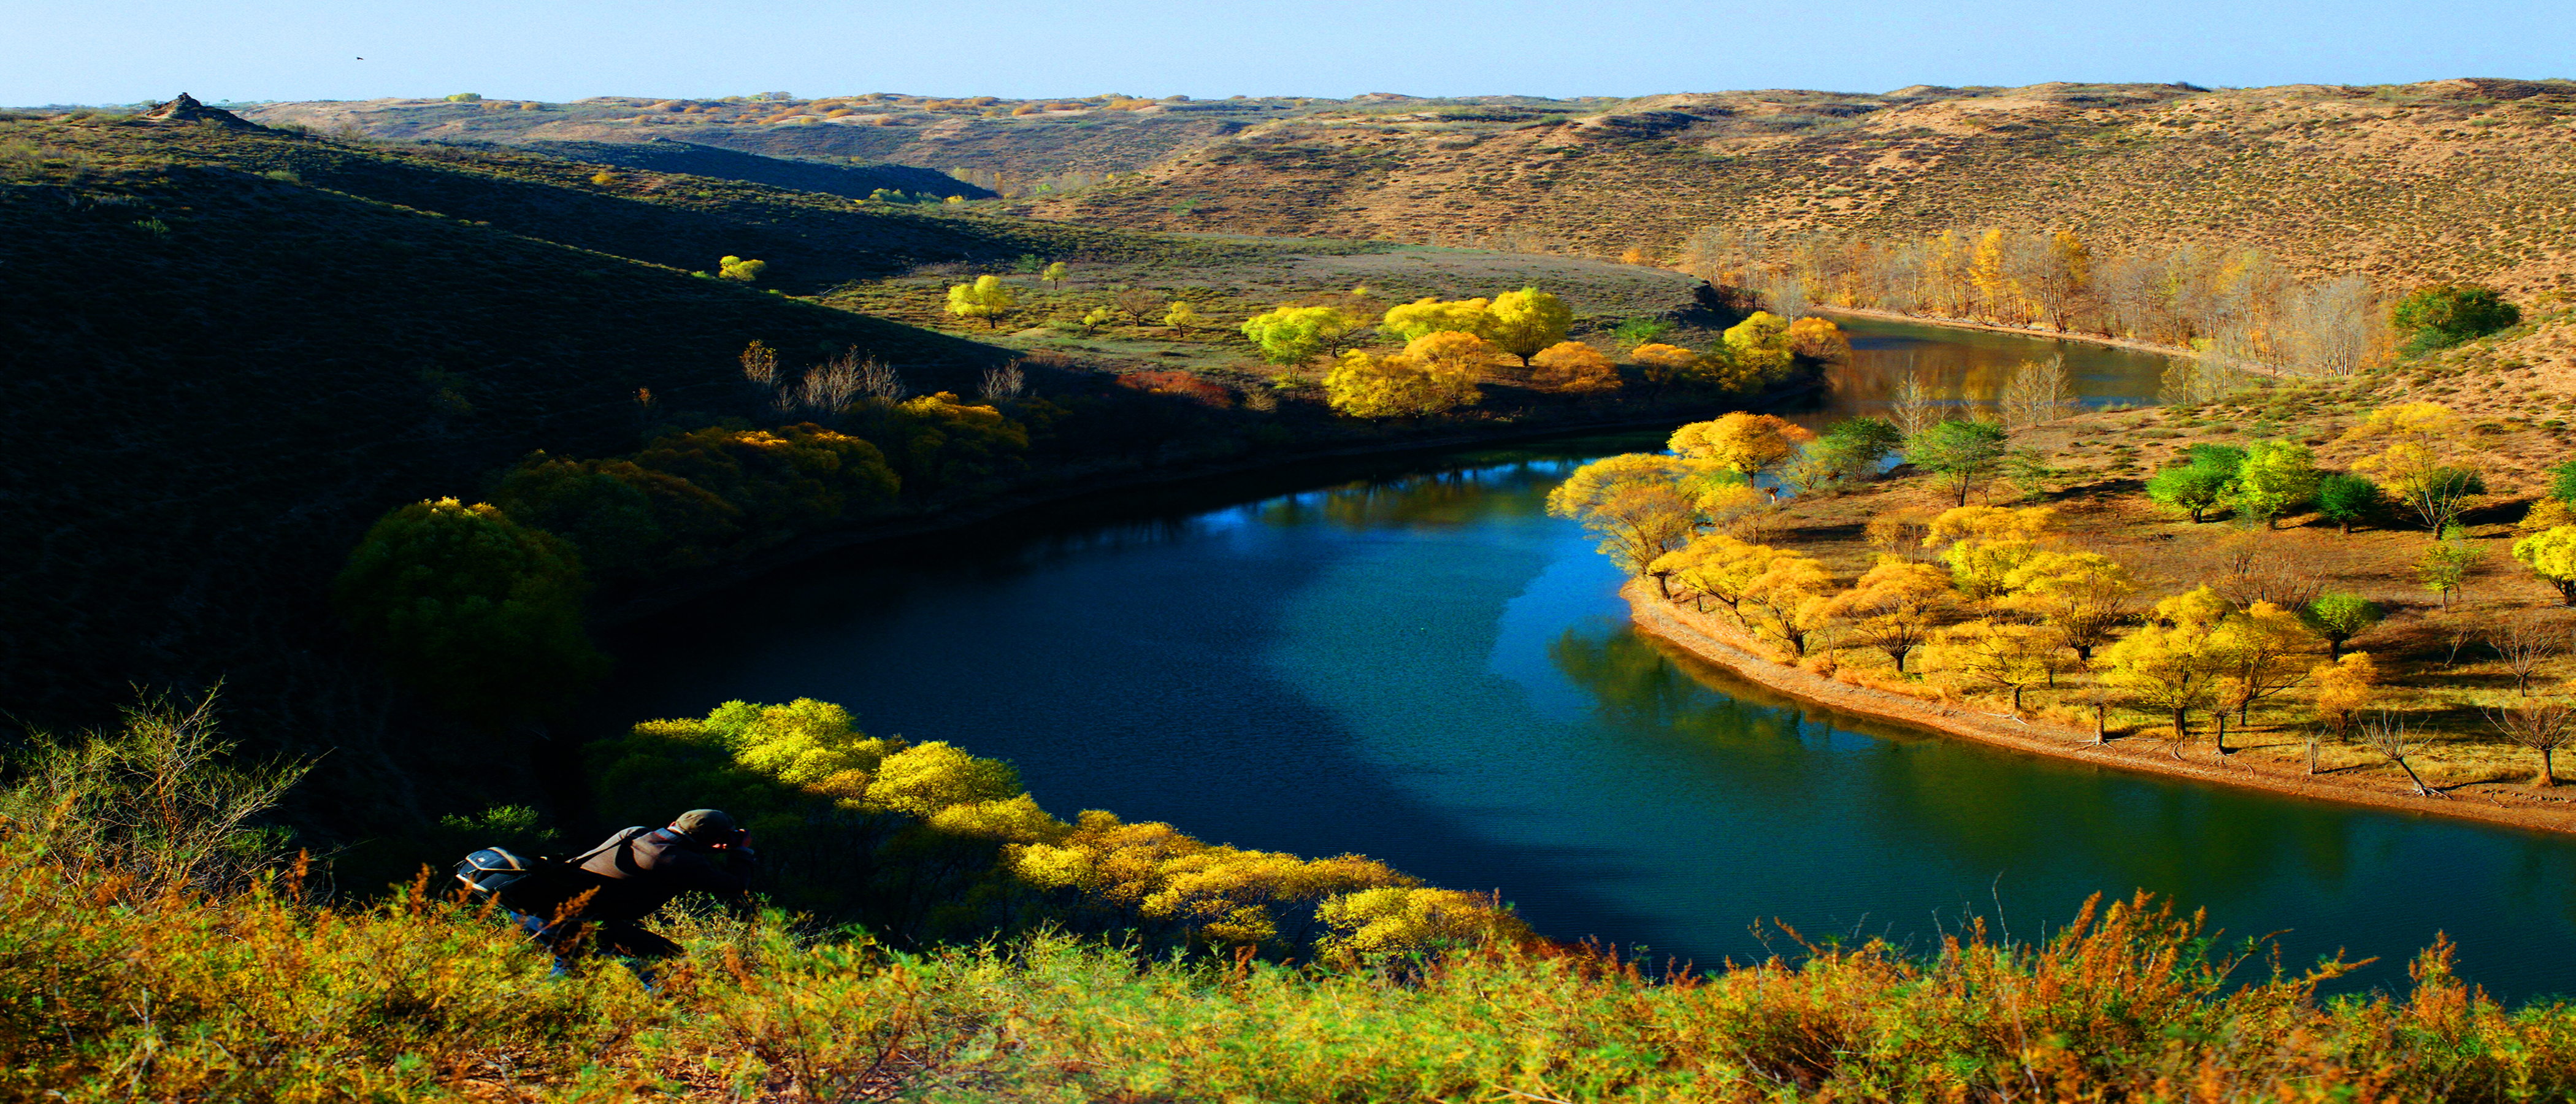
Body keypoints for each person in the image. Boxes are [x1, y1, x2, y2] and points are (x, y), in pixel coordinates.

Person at [517, 808, 757, 978]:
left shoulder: (633, 833)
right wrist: (741, 852)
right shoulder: (676, 860)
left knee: (571, 965)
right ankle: (663, 1022)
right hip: (578, 920)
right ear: (712, 839)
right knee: (667, 963)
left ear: (676, 823)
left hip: (540, 907)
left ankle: (545, 1016)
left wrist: (711, 844)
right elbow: (734, 886)